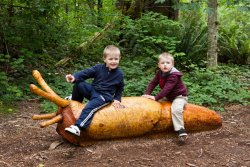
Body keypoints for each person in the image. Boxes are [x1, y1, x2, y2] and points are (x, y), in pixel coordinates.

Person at [65, 45, 125, 136]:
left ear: (119, 58)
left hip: (103, 97)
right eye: (111, 59)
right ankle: (74, 99)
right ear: (105, 59)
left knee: (90, 107)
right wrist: (74, 77)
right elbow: (86, 73)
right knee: (79, 84)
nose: (113, 61)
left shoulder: (119, 74)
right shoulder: (98, 68)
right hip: (93, 90)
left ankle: (78, 127)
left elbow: (120, 87)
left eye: (116, 59)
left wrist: (117, 98)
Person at [142, 52, 188, 142]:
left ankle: (181, 130)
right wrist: (147, 94)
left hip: (179, 97)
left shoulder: (174, 76)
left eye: (168, 63)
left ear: (172, 64)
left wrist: (155, 97)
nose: (165, 65)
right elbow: (153, 83)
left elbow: (167, 89)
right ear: (159, 65)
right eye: (163, 63)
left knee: (176, 110)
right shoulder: (160, 73)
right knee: (155, 105)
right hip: (169, 97)